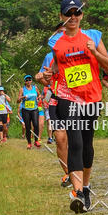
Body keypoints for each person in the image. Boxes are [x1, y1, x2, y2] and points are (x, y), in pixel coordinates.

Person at [46, 0, 108, 213]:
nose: (72, 17)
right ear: (61, 16)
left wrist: (94, 52)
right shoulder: (56, 44)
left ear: (81, 15)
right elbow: (57, 68)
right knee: (75, 142)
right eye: (68, 14)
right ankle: (76, 191)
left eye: (76, 12)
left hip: (92, 98)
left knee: (87, 145)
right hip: (68, 98)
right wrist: (45, 74)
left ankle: (85, 187)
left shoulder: (94, 36)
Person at [37, 51, 70, 187]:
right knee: (61, 139)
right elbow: (43, 79)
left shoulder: (80, 50)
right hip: (56, 101)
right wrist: (40, 77)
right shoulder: (49, 56)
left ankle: (81, 173)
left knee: (77, 140)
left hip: (77, 101)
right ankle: (68, 173)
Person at [18, 75, 41, 149]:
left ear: (31, 81)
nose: (28, 81)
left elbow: (39, 95)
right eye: (27, 80)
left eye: (29, 79)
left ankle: (36, 141)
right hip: (26, 110)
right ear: (25, 82)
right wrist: (22, 97)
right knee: (28, 127)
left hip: (34, 109)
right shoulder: (22, 89)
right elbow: (17, 100)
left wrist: (39, 98)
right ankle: (29, 143)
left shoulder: (35, 88)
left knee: (36, 124)